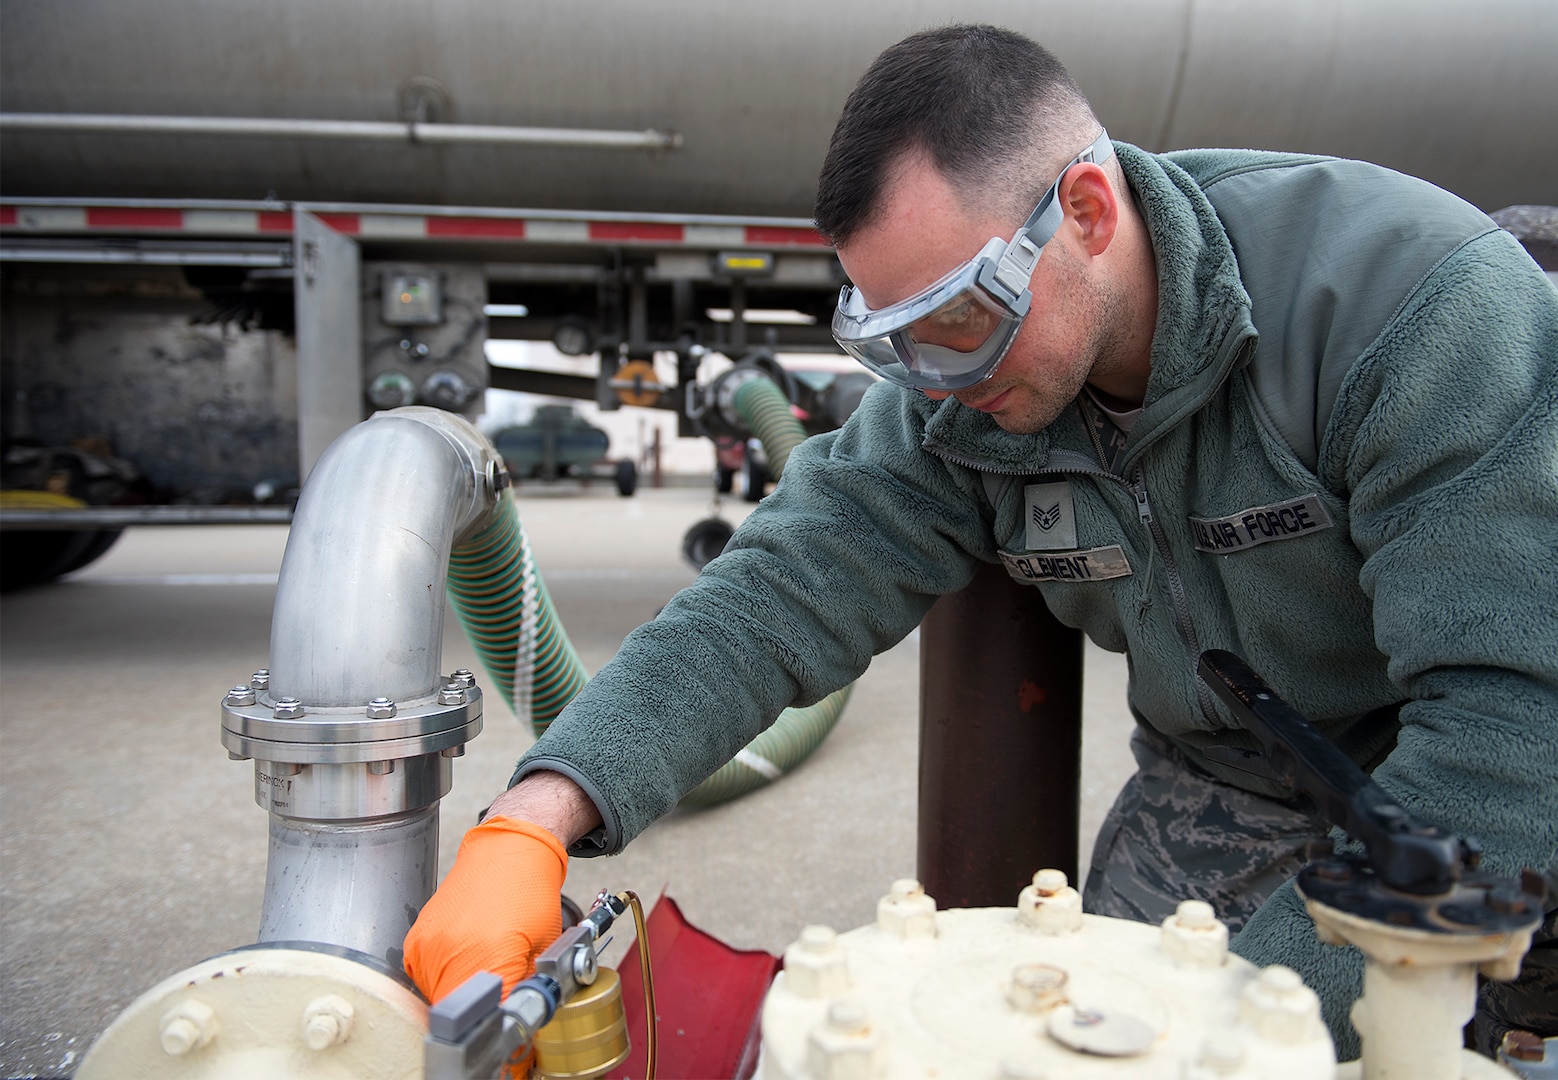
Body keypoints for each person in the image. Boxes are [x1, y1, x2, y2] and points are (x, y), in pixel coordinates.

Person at [404, 25, 1558, 1056]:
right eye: (894, 341)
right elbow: (773, 594)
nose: (934, 383)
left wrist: (1246, 1019)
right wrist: (535, 819)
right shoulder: (957, 402)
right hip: (1233, 782)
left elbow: (1518, 715)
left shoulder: (1401, 307)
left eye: (959, 321)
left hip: (1472, 769)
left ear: (1089, 215)